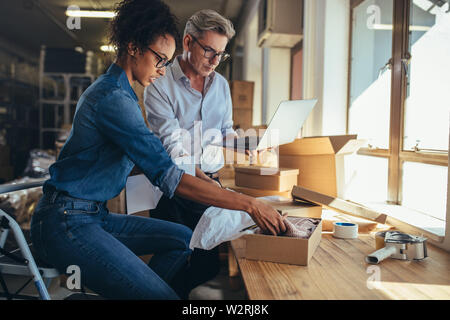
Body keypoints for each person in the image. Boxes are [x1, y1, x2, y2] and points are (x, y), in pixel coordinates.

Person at [30, 0, 285, 300]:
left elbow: (150, 161)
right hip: (65, 221)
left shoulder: (123, 93)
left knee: (181, 239)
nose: (163, 70)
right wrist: (249, 204)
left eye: (167, 61)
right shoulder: (114, 100)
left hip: (93, 214)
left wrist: (200, 171)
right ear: (134, 47)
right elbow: (169, 175)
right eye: (160, 60)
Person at [144, 9, 247, 294]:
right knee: (175, 256)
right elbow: (173, 148)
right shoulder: (159, 84)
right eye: (209, 51)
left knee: (206, 264)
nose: (215, 62)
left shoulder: (221, 86)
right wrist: (208, 184)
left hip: (210, 180)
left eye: (221, 55)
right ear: (188, 42)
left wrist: (246, 143)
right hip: (173, 186)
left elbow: (225, 130)